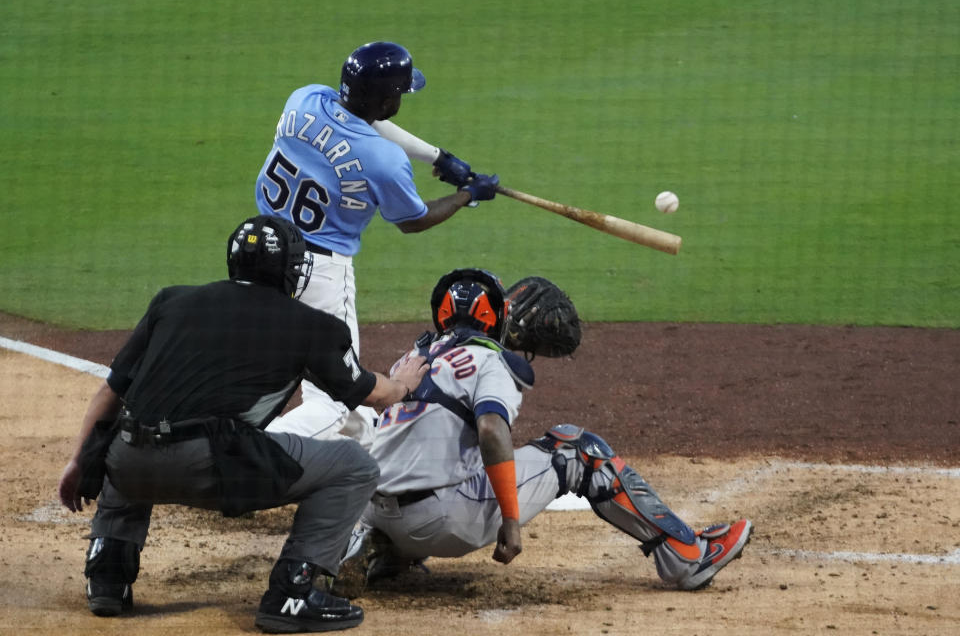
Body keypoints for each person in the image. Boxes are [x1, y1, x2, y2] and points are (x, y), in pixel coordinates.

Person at [57, 215, 428, 633]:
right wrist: (402, 384)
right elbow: (367, 393)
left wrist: (78, 462)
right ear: (292, 269)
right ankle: (293, 591)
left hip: (128, 465)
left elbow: (111, 393)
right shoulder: (310, 324)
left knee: (135, 427)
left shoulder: (171, 301)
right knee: (353, 465)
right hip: (215, 468)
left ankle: (107, 576)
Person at [330, 269, 753, 598]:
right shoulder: (487, 361)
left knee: (444, 449)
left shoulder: (414, 357)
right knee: (578, 449)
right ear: (494, 317)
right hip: (443, 522)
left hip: (373, 510)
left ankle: (378, 550)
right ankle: (686, 557)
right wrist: (511, 520)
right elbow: (492, 428)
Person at [255, 41, 499, 448]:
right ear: (387, 98)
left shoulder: (305, 99)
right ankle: (250, 454)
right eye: (399, 93)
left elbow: (358, 121)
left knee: (268, 368)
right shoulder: (383, 160)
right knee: (335, 401)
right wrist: (466, 195)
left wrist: (437, 158)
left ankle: (358, 444)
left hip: (259, 254)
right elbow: (413, 220)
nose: (401, 98)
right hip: (318, 276)